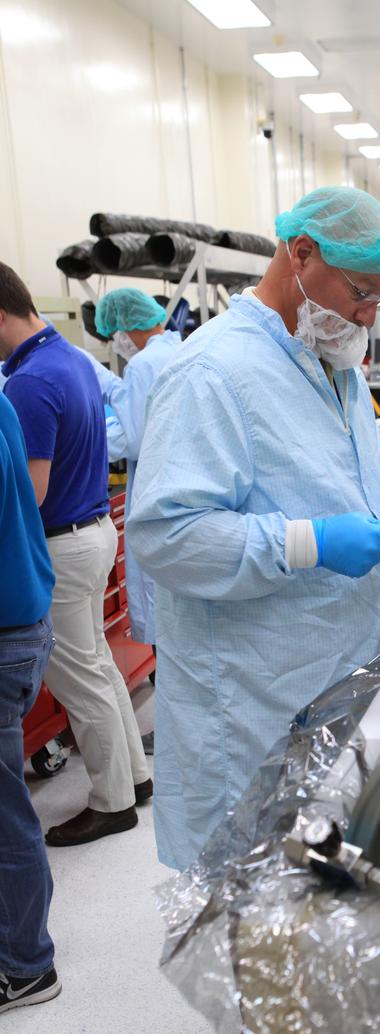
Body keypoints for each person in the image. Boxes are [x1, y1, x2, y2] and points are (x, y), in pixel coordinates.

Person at [129, 186, 380, 872]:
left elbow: (342, 478)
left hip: (334, 682)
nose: (369, 314)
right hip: (254, 702)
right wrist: (309, 543)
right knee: (251, 908)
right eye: (362, 292)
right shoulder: (212, 372)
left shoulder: (330, 359)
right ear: (301, 256)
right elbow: (168, 537)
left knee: (315, 897)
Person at [0, 263, 151, 846]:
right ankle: (134, 778)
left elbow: (30, 491)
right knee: (99, 668)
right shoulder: (68, 359)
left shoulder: (29, 383)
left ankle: (112, 803)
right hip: (92, 533)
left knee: (79, 679)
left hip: (62, 546)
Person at [89, 289, 182, 755]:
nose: (117, 341)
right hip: (178, 491)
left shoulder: (145, 365)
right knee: (176, 616)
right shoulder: (178, 349)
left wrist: (89, 427)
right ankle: (180, 726)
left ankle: (175, 731)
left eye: (116, 333)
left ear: (126, 328)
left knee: (165, 619)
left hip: (159, 494)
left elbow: (129, 437)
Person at [0, 392, 61, 1012]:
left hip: (5, 635)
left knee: (4, 814)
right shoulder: (2, 400)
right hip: (23, 622)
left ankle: (25, 964)